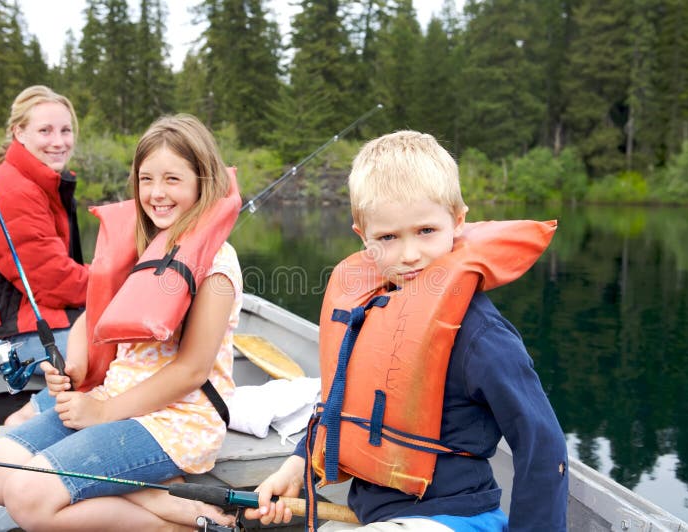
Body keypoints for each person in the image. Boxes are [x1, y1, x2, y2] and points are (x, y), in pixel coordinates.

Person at [244, 131, 569, 531]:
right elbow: (340, 411)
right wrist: (297, 469)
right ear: (363, 237)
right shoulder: (366, 311)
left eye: (426, 231)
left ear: (458, 220)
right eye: (388, 238)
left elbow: (542, 445)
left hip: (456, 518)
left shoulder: (482, 336)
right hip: (376, 515)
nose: (410, 254)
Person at [0, 114, 243, 530]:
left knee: (29, 499)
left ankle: (174, 525)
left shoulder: (218, 264)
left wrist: (102, 412)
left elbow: (192, 370)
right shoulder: (142, 244)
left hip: (175, 421)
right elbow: (90, 320)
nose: (156, 193)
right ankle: (152, 494)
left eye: (173, 179)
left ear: (201, 183)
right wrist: (77, 366)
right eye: (146, 179)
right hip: (112, 398)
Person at [0, 85, 89, 424]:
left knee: (119, 338)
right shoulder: (12, 191)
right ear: (19, 133)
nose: (59, 141)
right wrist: (122, 284)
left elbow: (55, 270)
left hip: (28, 317)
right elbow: (54, 282)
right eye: (45, 130)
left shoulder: (37, 183)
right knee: (113, 354)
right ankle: (28, 418)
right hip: (1, 335)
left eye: (65, 130)